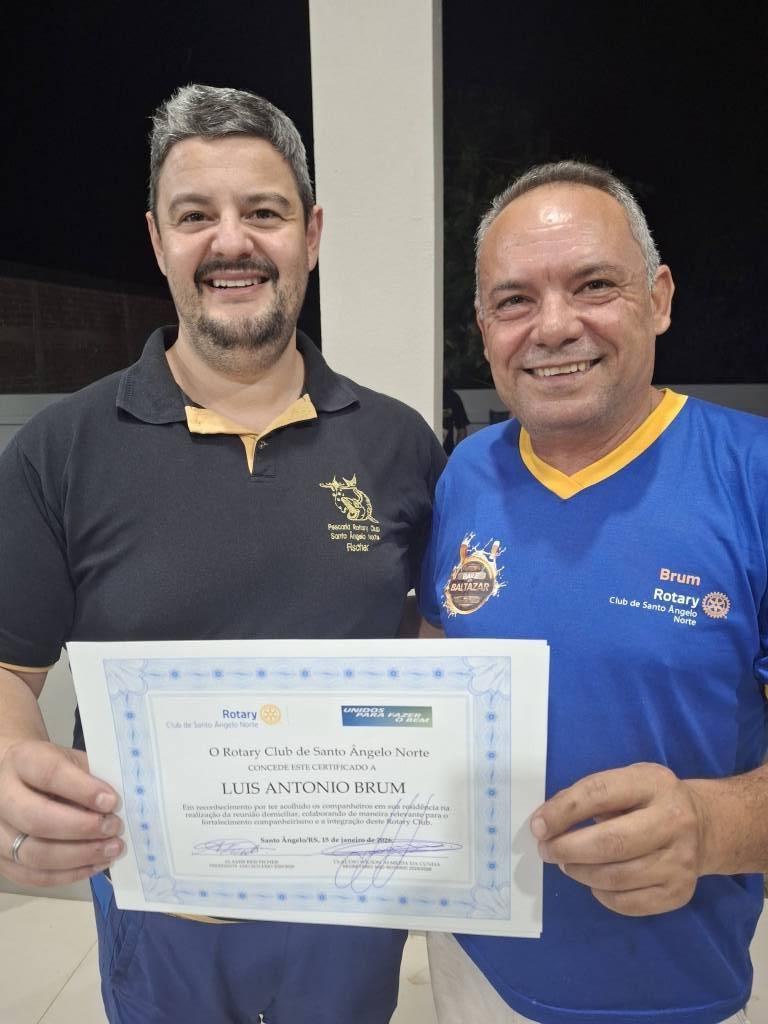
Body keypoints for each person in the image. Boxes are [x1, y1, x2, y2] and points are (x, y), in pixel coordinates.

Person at [0, 84, 445, 1024]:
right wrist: (9, 755)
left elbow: (435, 640)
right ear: (158, 239)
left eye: (264, 213)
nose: (230, 242)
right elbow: (8, 667)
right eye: (196, 215)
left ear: (311, 234)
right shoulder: (60, 450)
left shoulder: (401, 444)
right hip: (160, 907)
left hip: (350, 904)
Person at [419, 160, 767, 1024]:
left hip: (675, 992)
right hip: (471, 966)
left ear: (659, 298)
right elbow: (437, 662)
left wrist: (712, 824)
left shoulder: (751, 474)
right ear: (484, 329)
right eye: (514, 301)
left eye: (593, 286)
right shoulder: (466, 473)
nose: (554, 327)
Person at [442, 381, 469, 454]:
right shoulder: (422, 396)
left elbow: (462, 430)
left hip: (446, 453)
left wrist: (455, 455)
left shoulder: (452, 397)